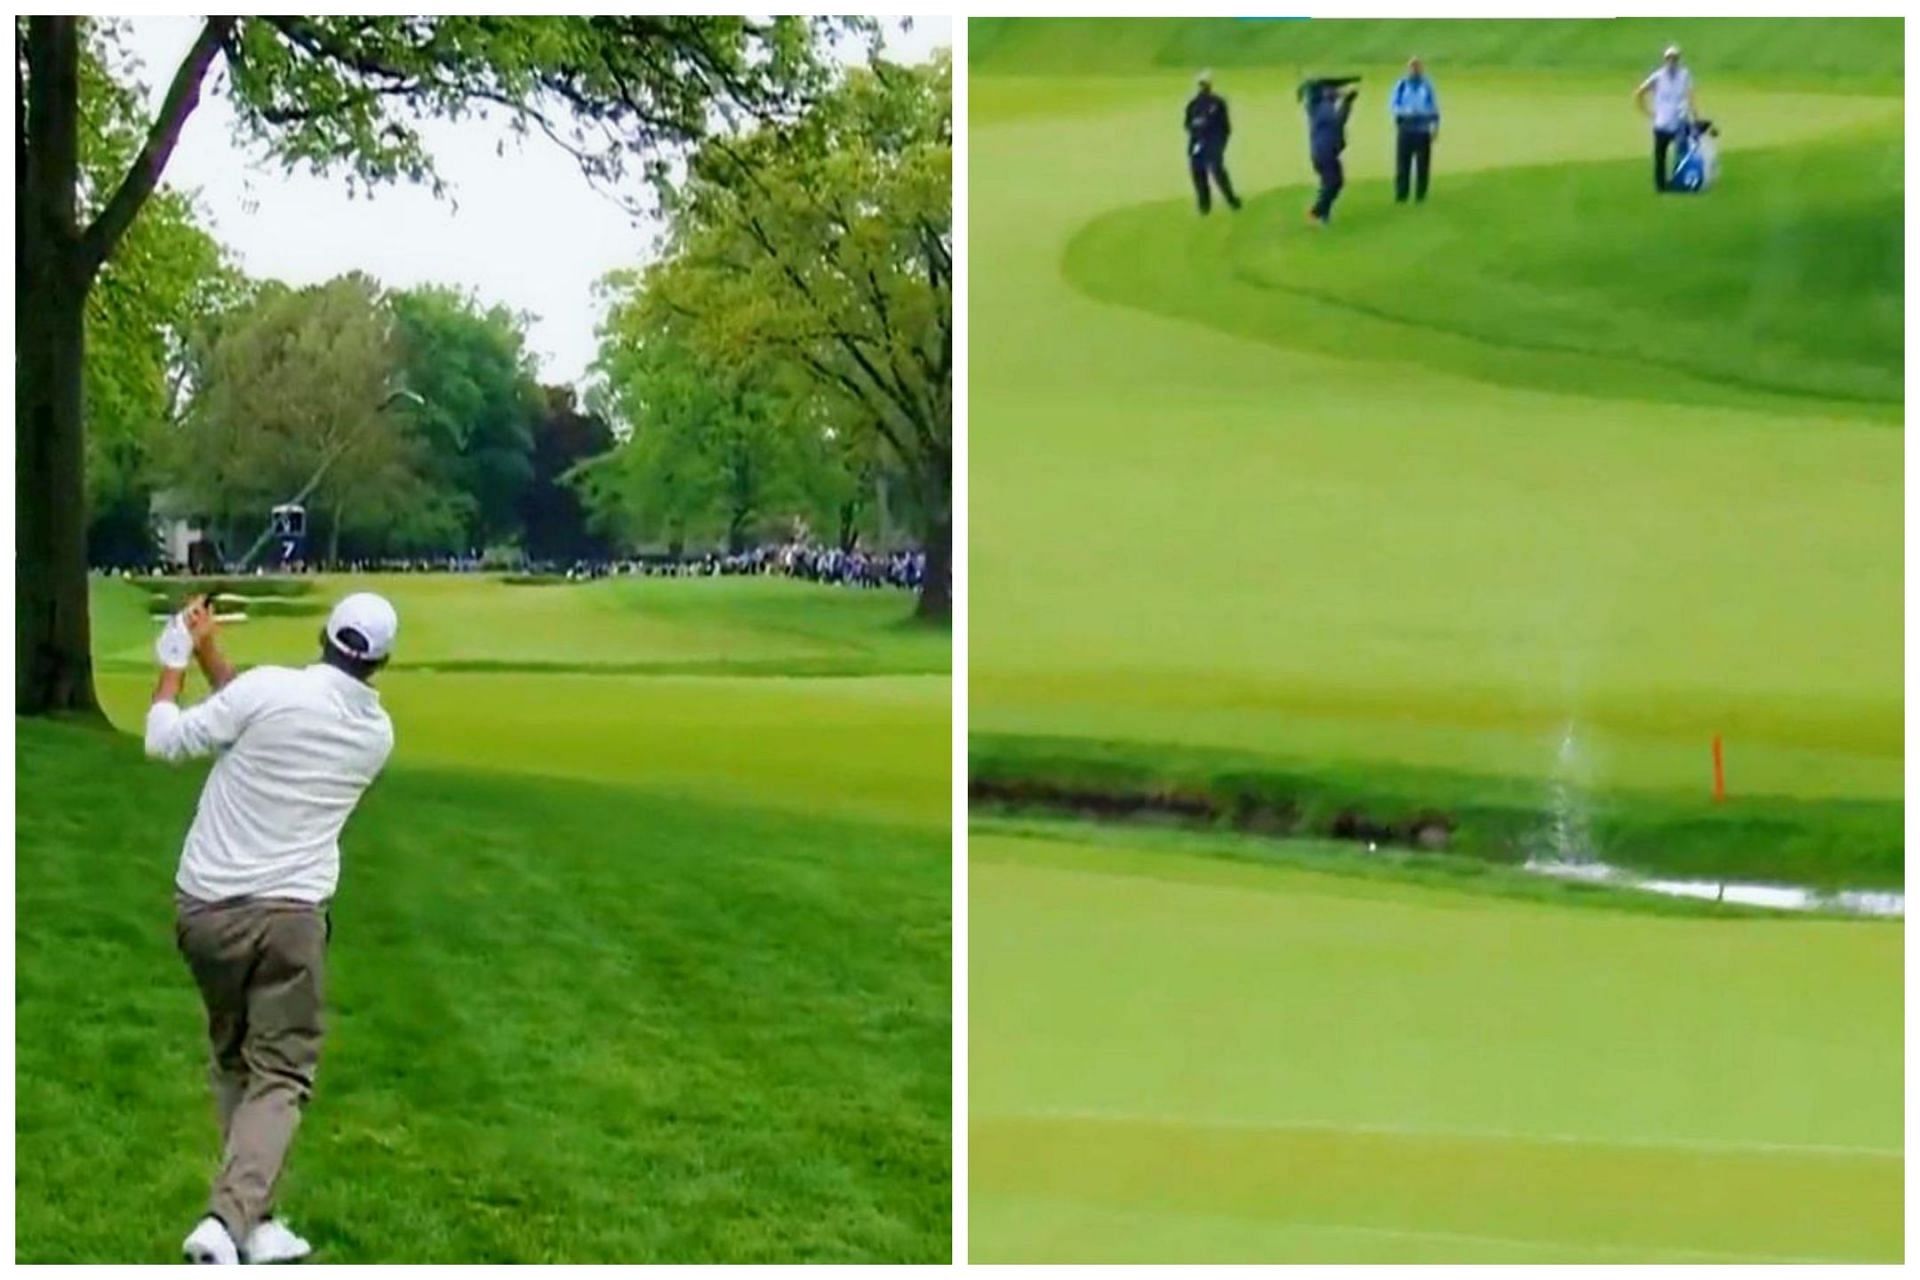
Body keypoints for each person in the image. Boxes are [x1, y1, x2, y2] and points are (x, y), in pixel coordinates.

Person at [148, 591, 399, 1265]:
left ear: (323, 636)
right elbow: (262, 715)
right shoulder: (375, 736)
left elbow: (170, 735)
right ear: (381, 662)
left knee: (237, 1063)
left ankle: (253, 1225)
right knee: (282, 1074)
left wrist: (173, 662)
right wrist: (201, 654)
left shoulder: (269, 692)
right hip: (289, 920)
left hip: (205, 914)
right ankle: (225, 1225)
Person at [1634, 44, 1698, 192]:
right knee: (1660, 158)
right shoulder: (1658, 76)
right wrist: (1647, 112)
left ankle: (1679, 181)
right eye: (1669, 59)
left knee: (1681, 155)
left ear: (1678, 60)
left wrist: (1695, 116)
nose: (1672, 61)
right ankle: (1661, 186)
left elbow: (1690, 96)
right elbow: (1639, 93)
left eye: (1674, 58)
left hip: (1680, 122)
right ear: (1665, 60)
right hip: (1661, 124)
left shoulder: (1684, 75)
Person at [1183, 70, 1241, 215]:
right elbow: (1187, 125)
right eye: (1201, 84)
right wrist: (1196, 127)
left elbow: (1225, 126)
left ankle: (1231, 200)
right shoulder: (1193, 104)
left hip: (1214, 141)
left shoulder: (1218, 102)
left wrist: (1220, 142)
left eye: (1205, 84)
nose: (1203, 87)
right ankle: (1204, 205)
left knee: (1217, 170)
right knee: (1197, 172)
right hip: (1197, 142)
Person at [1305, 79, 1359, 225]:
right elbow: (1339, 121)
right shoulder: (1323, 107)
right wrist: (1347, 101)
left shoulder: (1319, 106)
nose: (1336, 93)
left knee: (1330, 183)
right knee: (1335, 182)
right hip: (1325, 152)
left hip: (1325, 151)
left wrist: (1346, 100)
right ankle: (1316, 212)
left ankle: (1324, 215)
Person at [1389, 56, 1440, 203]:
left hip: (1422, 130)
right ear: (1408, 69)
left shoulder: (1427, 85)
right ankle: (1401, 195)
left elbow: (1434, 107)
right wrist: (1406, 111)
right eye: (1412, 67)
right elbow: (1393, 106)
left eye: (1418, 67)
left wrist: (1435, 126)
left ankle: (1420, 195)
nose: (1415, 70)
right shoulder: (1402, 85)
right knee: (1402, 164)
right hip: (1405, 129)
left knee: (1423, 164)